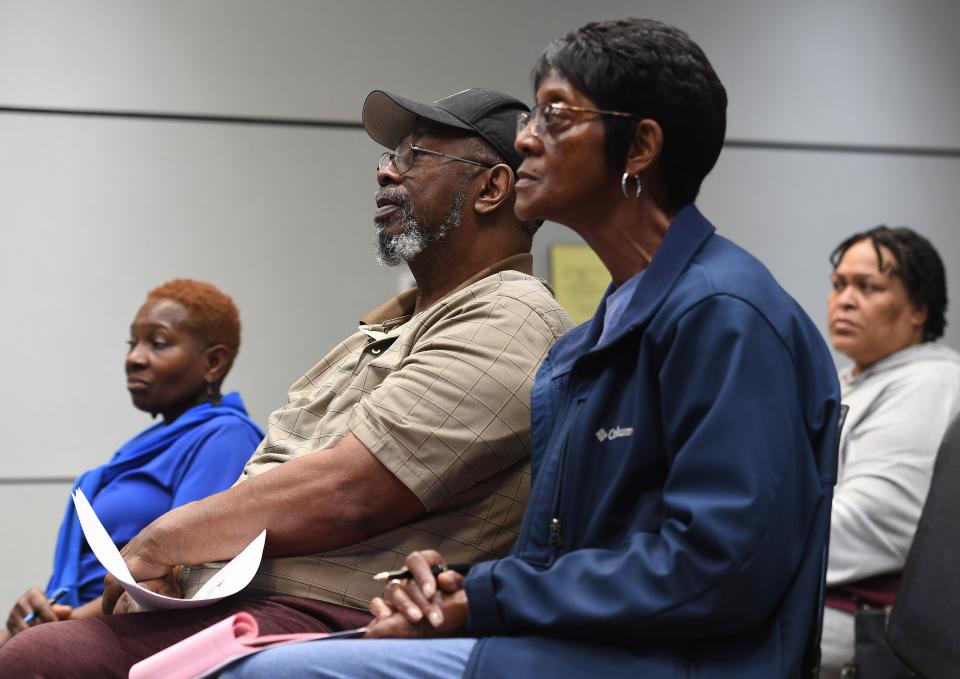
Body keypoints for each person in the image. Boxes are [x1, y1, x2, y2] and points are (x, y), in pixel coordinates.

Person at [217, 17, 841, 679]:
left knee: (263, 675)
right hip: (581, 647)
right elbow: (567, 555)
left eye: (554, 115)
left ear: (639, 149)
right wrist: (456, 585)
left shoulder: (722, 314)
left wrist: (489, 597)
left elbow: (719, 568)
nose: (524, 140)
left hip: (675, 663)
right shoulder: (604, 332)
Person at [0, 88, 572, 677]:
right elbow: (269, 486)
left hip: (336, 614)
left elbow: (352, 491)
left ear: (491, 189)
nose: (384, 170)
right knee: (39, 647)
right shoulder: (390, 326)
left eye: (414, 155)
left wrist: (165, 539)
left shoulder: (512, 316)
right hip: (246, 601)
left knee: (40, 663)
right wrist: (96, 608)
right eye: (389, 155)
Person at [0, 279, 264, 648]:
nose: (135, 357)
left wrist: (63, 625)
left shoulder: (225, 438)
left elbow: (186, 571)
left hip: (136, 634)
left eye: (157, 343)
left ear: (213, 362)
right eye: (132, 343)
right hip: (75, 626)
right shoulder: (143, 445)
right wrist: (33, 616)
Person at [819, 226, 960, 677]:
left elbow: (875, 522)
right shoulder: (852, 378)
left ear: (918, 309)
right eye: (839, 285)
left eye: (868, 287)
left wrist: (744, 539)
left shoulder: (930, 384)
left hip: (860, 643)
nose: (845, 299)